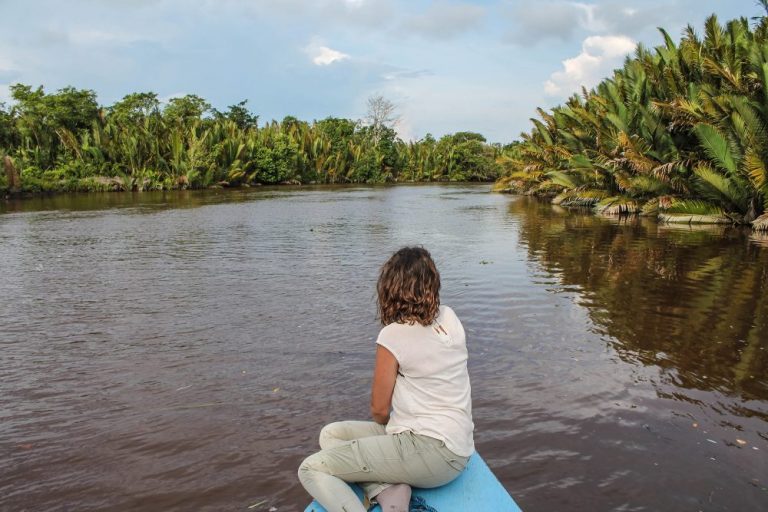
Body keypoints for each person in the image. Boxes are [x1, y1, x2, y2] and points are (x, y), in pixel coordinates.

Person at [298, 246, 475, 512]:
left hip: (431, 452)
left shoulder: (393, 335)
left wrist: (391, 436)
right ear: (431, 284)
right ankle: (388, 491)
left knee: (311, 468)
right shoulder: (450, 317)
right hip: (457, 447)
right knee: (332, 434)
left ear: (390, 289)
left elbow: (379, 410)